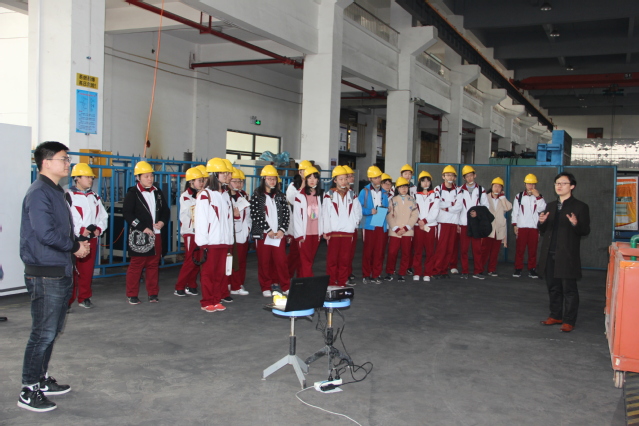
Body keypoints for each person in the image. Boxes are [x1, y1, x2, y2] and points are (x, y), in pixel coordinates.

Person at [19, 141, 91, 412]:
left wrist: (76, 243)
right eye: (64, 158)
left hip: (58, 269)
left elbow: (60, 229)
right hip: (45, 273)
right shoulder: (39, 192)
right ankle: (28, 389)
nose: (68, 163)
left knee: (51, 331)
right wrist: (74, 246)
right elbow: (45, 233)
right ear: (46, 162)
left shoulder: (55, 191)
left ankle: (40, 378)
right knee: (42, 333)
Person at [538, 172, 590, 333]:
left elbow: (585, 230)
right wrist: (541, 223)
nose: (559, 186)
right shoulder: (550, 206)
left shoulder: (580, 207)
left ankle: (569, 320)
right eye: (557, 183)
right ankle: (555, 315)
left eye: (563, 183)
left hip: (567, 254)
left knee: (569, 290)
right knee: (553, 287)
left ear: (572, 186)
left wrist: (575, 223)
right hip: (549, 252)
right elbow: (543, 230)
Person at [123, 160, 170, 304]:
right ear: (138, 177)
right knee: (136, 265)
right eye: (146, 176)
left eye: (151, 176)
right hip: (140, 236)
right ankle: (132, 294)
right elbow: (127, 214)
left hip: (156, 234)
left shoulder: (157, 192)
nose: (150, 179)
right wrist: (142, 227)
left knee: (153, 264)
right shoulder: (133, 193)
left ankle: (153, 293)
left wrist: (162, 222)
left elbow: (166, 211)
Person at [67, 163, 108, 309]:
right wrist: (80, 230)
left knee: (87, 270)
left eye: (91, 177)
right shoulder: (69, 196)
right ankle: (68, 300)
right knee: (71, 270)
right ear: (77, 178)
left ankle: (84, 297)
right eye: (87, 177)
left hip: (91, 239)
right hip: (74, 239)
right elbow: (68, 217)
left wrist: (99, 228)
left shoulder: (94, 196)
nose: (90, 180)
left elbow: (103, 216)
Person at [195, 158, 234, 312]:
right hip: (210, 242)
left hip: (224, 242)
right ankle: (207, 301)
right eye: (224, 173)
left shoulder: (225, 195)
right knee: (208, 273)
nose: (227, 176)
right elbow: (201, 220)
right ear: (215, 175)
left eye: (227, 173)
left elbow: (229, 221)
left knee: (220, 273)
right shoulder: (205, 195)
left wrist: (229, 240)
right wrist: (203, 242)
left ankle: (216, 299)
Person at [251, 165, 291, 297]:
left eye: (274, 179)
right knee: (264, 262)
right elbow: (255, 214)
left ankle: (285, 286)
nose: (272, 181)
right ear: (264, 179)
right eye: (269, 179)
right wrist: (267, 229)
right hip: (263, 234)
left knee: (281, 261)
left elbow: (286, 214)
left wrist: (282, 230)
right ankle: (265, 286)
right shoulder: (257, 195)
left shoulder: (280, 195)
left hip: (278, 235)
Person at [322, 166, 362, 287]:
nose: (343, 181)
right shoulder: (329, 195)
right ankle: (331, 281)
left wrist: (354, 224)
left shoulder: (352, 195)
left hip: (348, 232)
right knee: (332, 259)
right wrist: (326, 230)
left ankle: (342, 281)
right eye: (340, 179)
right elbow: (325, 214)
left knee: (345, 259)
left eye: (345, 178)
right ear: (335, 180)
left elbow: (358, 211)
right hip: (333, 232)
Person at [174, 167, 205, 297]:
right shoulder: (185, 196)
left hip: (200, 232)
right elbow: (192, 210)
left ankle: (191, 285)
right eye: (199, 180)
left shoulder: (202, 194)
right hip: (190, 232)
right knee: (190, 260)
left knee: (198, 260)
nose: (202, 183)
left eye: (203, 180)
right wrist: (200, 198)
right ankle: (179, 286)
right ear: (191, 181)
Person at [456, 165, 489, 279]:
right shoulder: (459, 190)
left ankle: (478, 271)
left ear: (475, 175)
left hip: (476, 225)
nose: (469, 178)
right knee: (464, 249)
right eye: (467, 176)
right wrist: (458, 224)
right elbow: (457, 208)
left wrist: (478, 213)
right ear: (464, 178)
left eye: (471, 175)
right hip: (464, 224)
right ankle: (465, 271)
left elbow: (486, 206)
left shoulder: (481, 190)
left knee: (477, 249)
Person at [511, 173, 546, 278]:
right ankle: (518, 269)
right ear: (525, 184)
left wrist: (538, 197)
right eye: (529, 184)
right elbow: (515, 211)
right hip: (522, 227)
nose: (531, 186)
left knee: (533, 250)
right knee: (520, 250)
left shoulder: (539, 197)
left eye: (533, 184)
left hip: (534, 228)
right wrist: (515, 225)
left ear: (535, 185)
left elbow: (542, 209)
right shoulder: (519, 196)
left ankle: (532, 269)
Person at [358, 166, 389, 284]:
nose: (378, 179)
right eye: (375, 178)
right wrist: (369, 211)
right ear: (370, 178)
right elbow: (358, 208)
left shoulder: (384, 192)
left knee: (379, 251)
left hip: (381, 224)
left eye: (379, 177)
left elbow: (386, 206)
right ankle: (366, 274)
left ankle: (376, 274)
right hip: (369, 225)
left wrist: (387, 209)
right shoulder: (364, 191)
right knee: (368, 251)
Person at [385, 177, 419, 282]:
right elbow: (389, 215)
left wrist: (406, 227)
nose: (404, 189)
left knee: (406, 253)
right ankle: (390, 272)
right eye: (401, 187)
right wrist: (396, 228)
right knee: (392, 252)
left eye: (405, 187)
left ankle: (402, 273)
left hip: (407, 232)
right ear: (397, 189)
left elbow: (415, 215)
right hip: (394, 232)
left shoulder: (412, 200)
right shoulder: (392, 200)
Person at [432, 165, 462, 279]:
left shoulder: (459, 190)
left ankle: (444, 271)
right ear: (443, 176)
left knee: (450, 249)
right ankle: (436, 270)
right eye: (447, 175)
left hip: (453, 222)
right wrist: (451, 204)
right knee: (441, 248)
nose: (450, 177)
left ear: (455, 177)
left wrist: (447, 207)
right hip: (442, 222)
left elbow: (459, 206)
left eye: (452, 175)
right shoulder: (438, 189)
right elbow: (438, 204)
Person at [293, 166, 323, 277]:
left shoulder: (321, 195)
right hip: (304, 233)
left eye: (314, 178)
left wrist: (322, 232)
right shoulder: (300, 196)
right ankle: (309, 282)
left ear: (318, 180)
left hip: (316, 233)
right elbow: (296, 217)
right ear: (305, 179)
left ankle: (301, 280)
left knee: (309, 259)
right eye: (309, 178)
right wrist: (299, 234)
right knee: (306, 261)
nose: (312, 180)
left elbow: (324, 215)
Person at [481, 177, 512, 277]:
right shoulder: (485, 197)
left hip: (498, 229)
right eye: (495, 186)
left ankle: (492, 269)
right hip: (487, 228)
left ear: (502, 188)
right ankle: (480, 269)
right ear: (492, 186)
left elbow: (508, 207)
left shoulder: (502, 199)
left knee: (495, 251)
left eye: (499, 186)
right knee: (484, 250)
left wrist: (502, 198)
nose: (497, 188)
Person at [286, 160, 311, 279]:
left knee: (305, 255)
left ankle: (302, 277)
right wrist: (302, 187)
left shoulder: (313, 188)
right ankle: (288, 275)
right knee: (295, 253)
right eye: (303, 171)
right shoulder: (293, 186)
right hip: (296, 226)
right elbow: (293, 201)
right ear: (299, 172)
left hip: (308, 227)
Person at [412, 171, 439, 282]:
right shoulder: (414, 195)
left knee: (430, 251)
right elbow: (413, 210)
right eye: (423, 181)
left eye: (428, 181)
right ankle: (417, 272)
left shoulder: (435, 195)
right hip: (418, 226)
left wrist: (425, 221)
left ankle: (428, 272)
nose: (426, 183)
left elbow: (435, 211)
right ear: (420, 182)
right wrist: (419, 221)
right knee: (417, 250)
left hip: (430, 226)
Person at [228, 167, 251, 296]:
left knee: (241, 260)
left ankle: (239, 283)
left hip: (242, 234)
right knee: (232, 262)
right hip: (230, 235)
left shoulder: (244, 196)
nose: (238, 184)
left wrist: (248, 229)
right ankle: (233, 284)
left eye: (240, 181)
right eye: (235, 181)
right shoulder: (224, 196)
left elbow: (248, 216)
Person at [343, 165, 359, 284]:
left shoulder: (352, 192)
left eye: (352, 176)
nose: (352, 178)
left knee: (351, 252)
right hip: (343, 229)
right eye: (349, 176)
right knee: (344, 253)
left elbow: (357, 210)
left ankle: (348, 271)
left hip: (353, 227)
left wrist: (355, 222)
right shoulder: (336, 193)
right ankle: (343, 275)